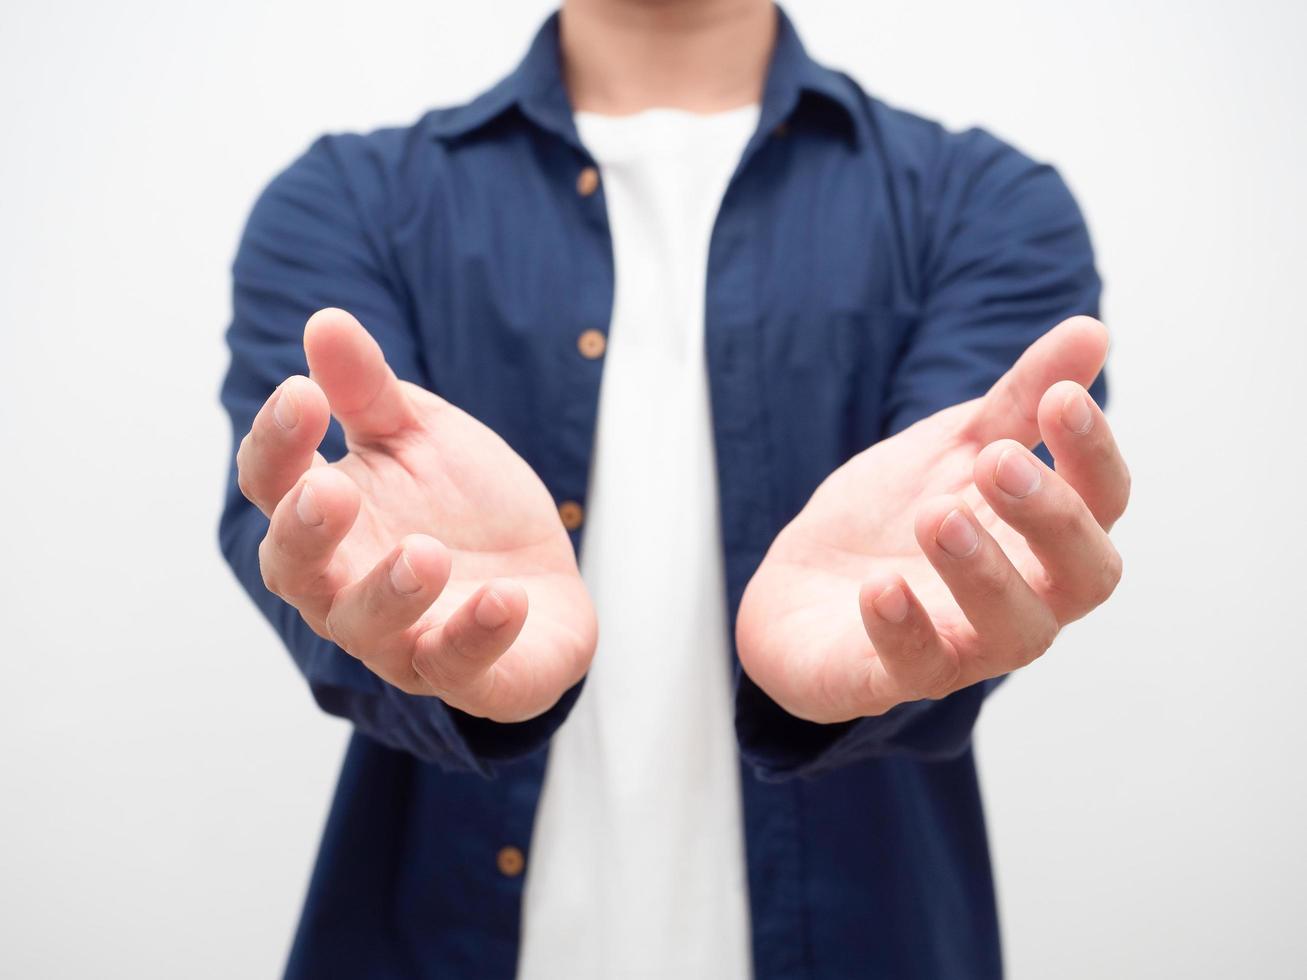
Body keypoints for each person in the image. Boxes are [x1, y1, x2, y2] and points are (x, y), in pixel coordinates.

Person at [218, 1, 1130, 977]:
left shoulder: (984, 206)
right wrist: (407, 622)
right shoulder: (346, 201)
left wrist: (915, 616)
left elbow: (979, 534)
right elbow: (300, 524)